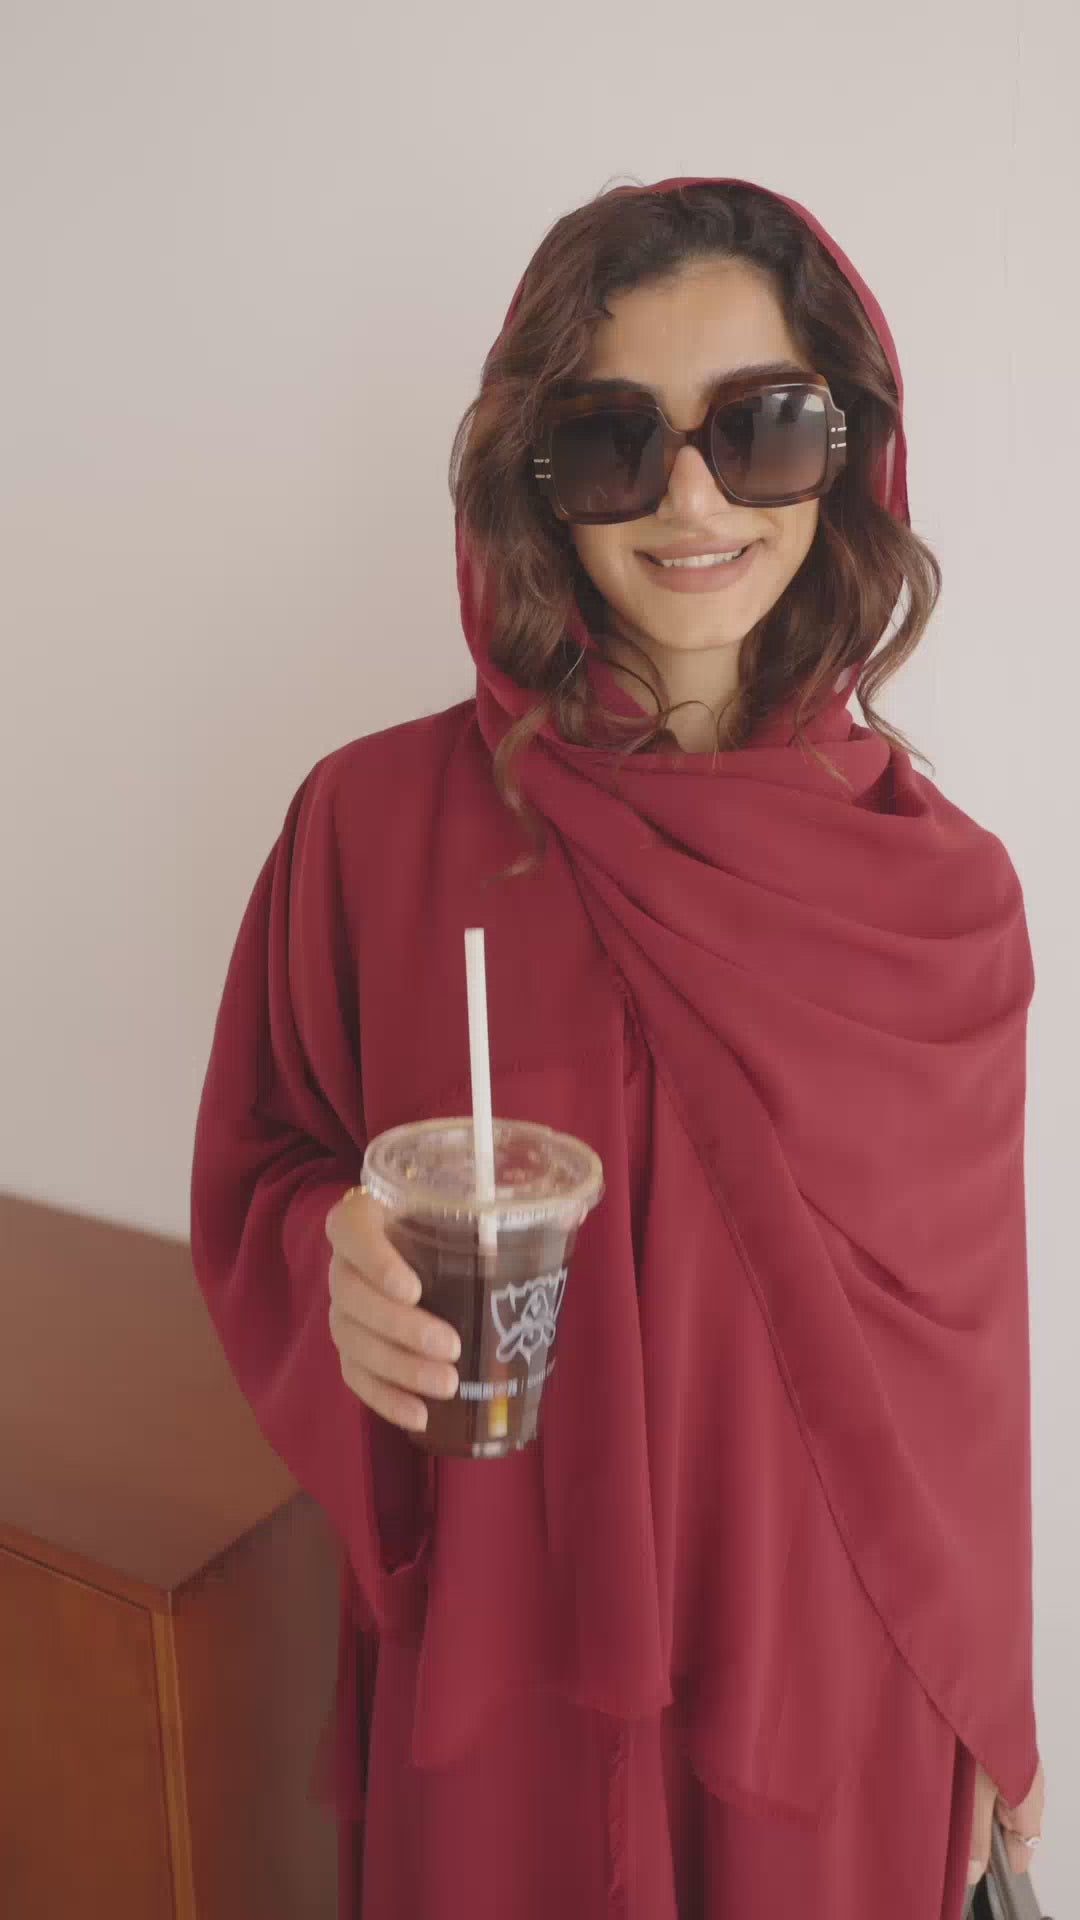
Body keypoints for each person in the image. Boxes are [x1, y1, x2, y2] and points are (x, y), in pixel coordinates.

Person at [189, 174, 1047, 1920]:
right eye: (610, 441)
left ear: (851, 449)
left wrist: (993, 1715)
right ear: (531, 480)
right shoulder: (374, 828)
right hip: (505, 1653)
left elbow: (967, 1389)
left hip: (828, 1686)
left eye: (762, 427)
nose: (690, 497)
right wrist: (322, 1256)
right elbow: (266, 1169)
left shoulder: (941, 899)